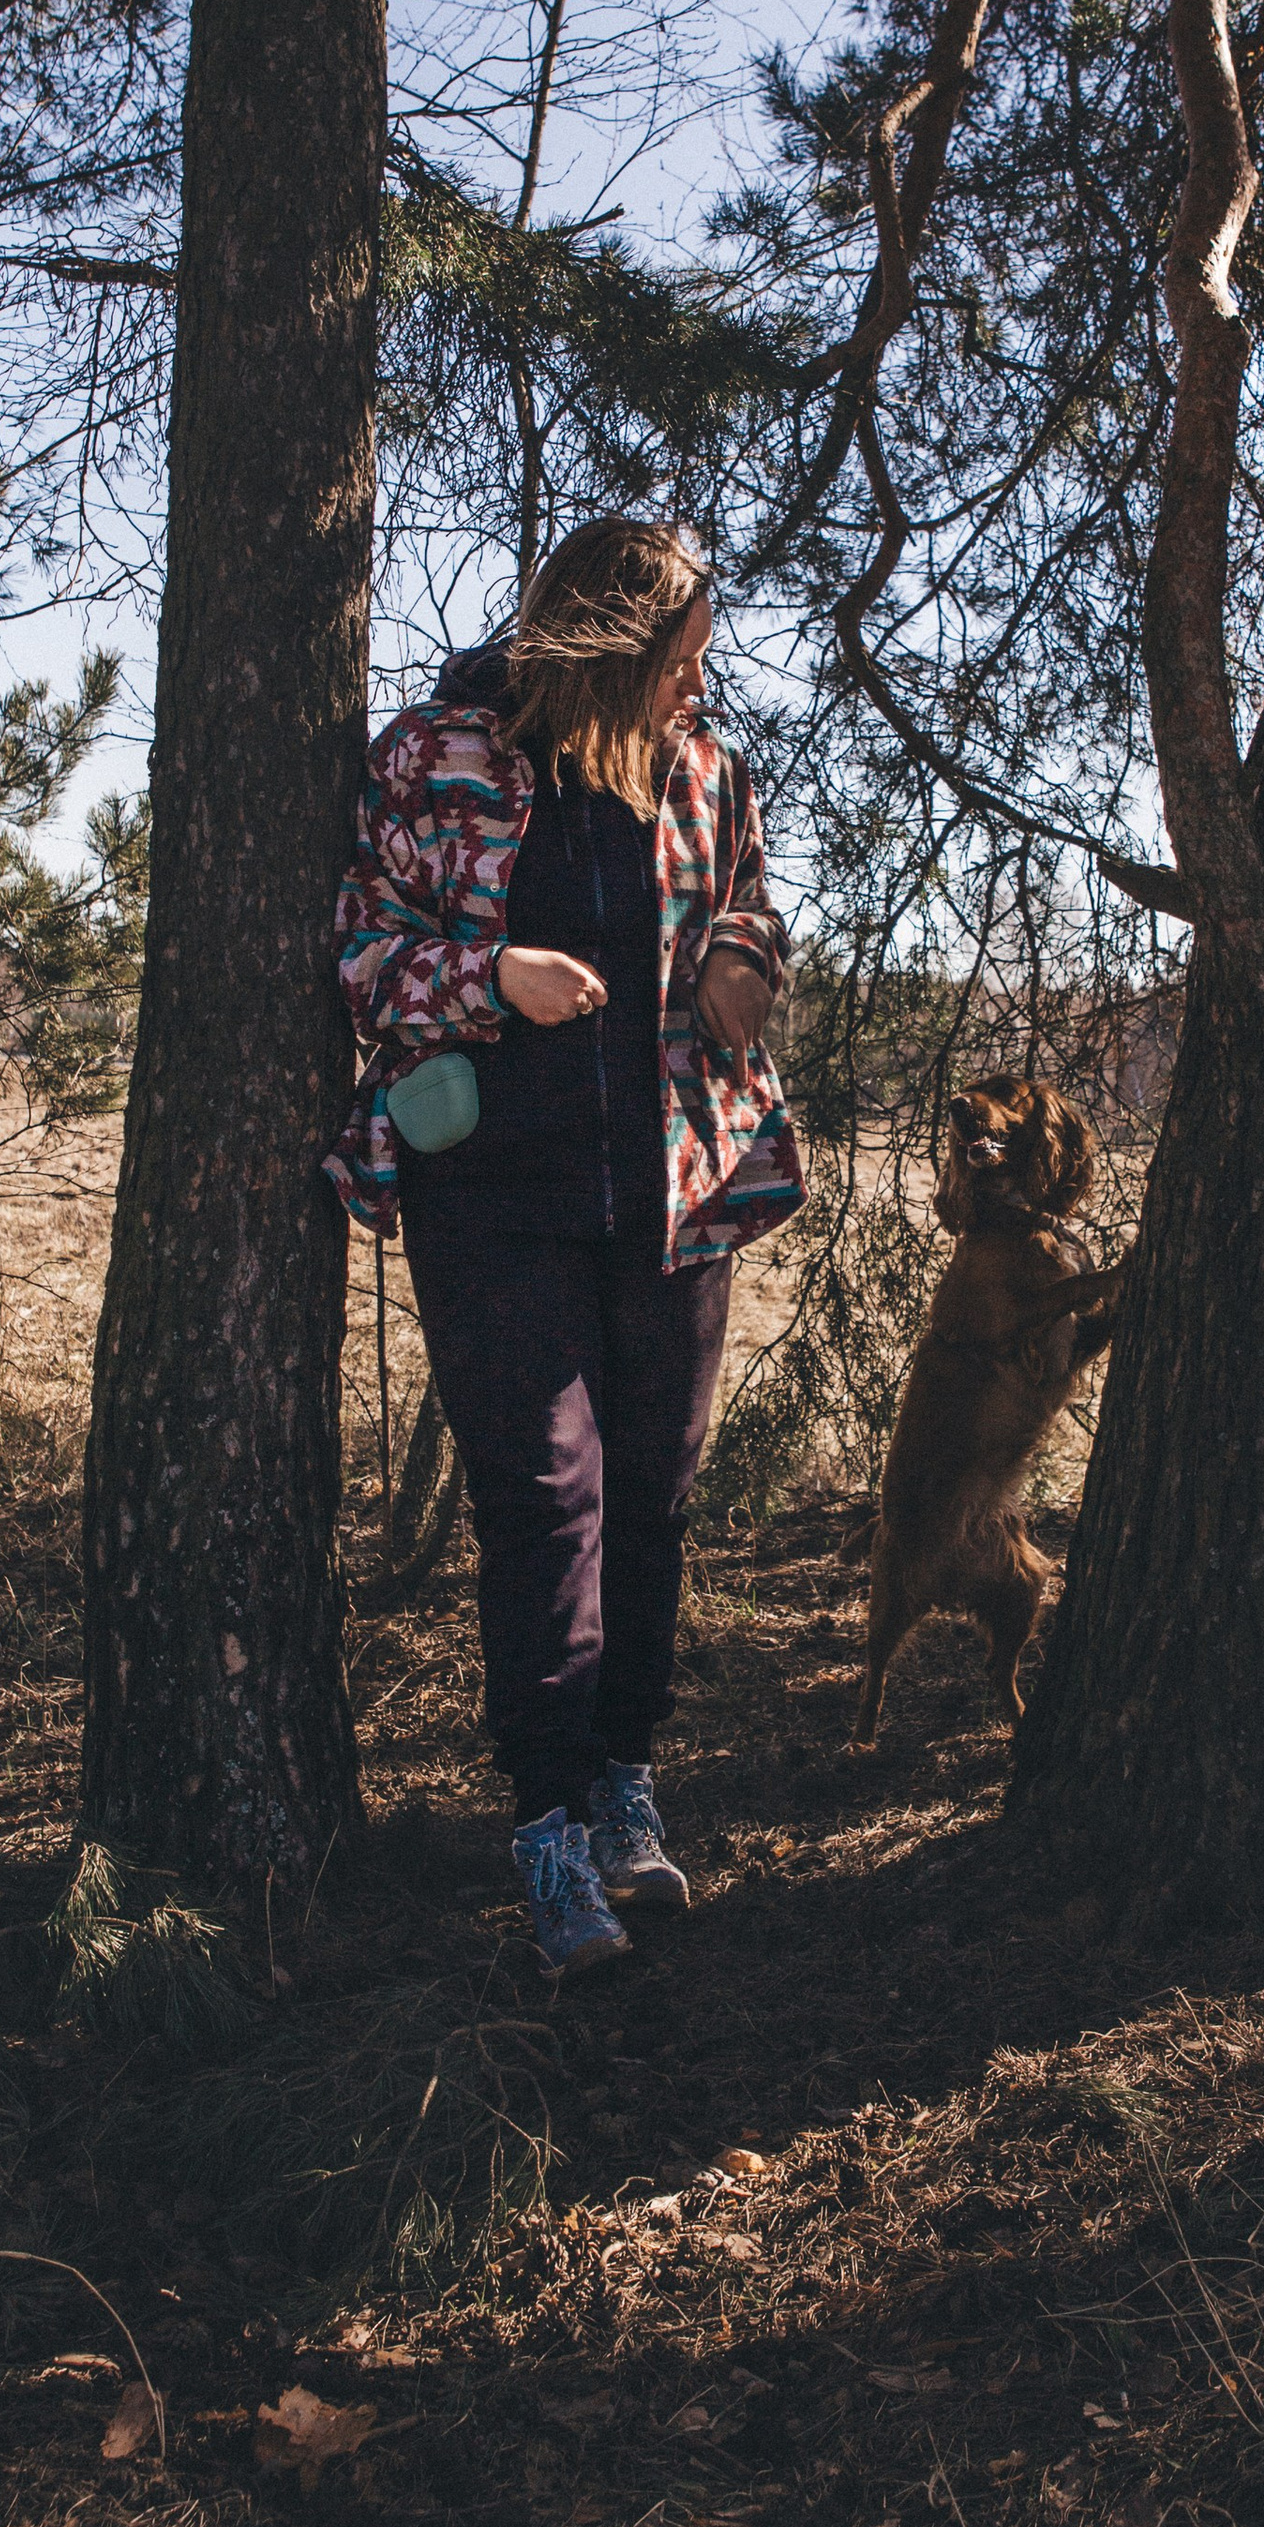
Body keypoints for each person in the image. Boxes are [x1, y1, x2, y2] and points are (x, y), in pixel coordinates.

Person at [324, 519, 805, 1972]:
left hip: (675, 1194)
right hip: (492, 1199)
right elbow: (362, 953)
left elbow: (749, 905)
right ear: (611, 648)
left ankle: (621, 1782)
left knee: (654, 1493)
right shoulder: (437, 758)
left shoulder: (702, 770)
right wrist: (496, 977)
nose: (697, 684)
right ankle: (543, 1824)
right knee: (545, 1502)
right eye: (679, 658)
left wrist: (743, 959)